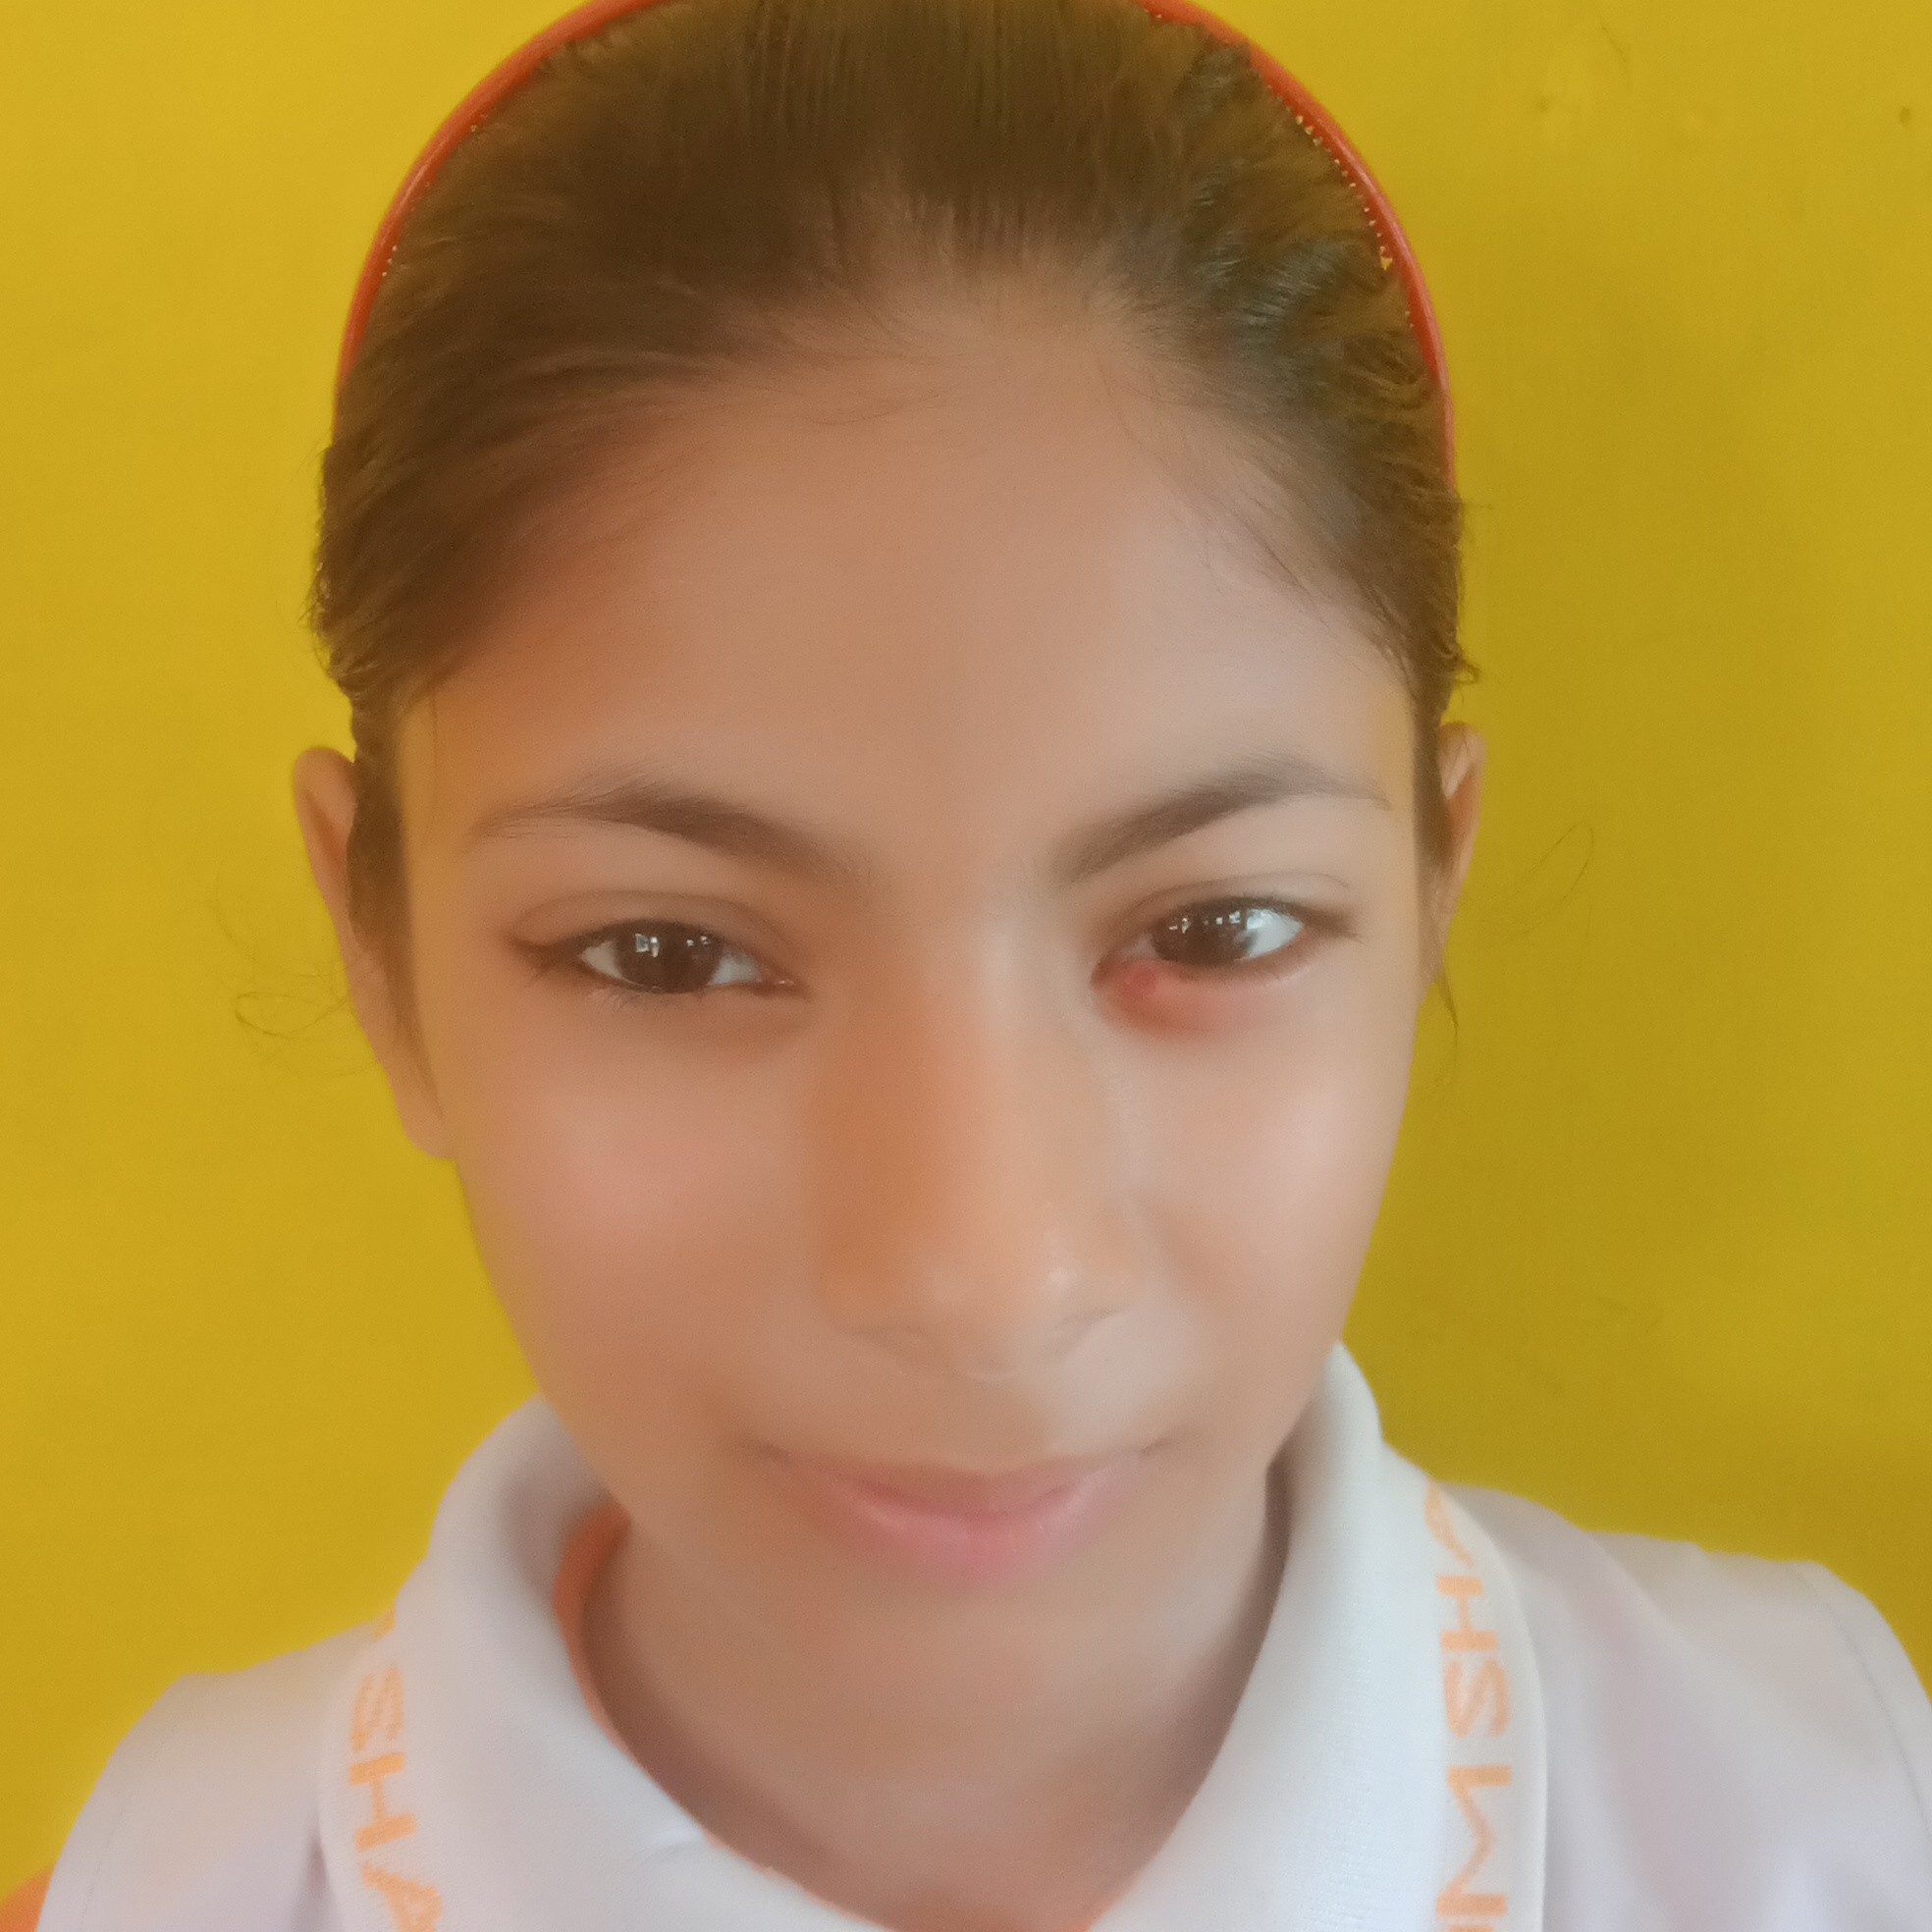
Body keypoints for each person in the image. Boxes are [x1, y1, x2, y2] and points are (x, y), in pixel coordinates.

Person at [9, 0, 1931, 1926]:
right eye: (668, 953)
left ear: (1430, 893)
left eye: (1212, 931)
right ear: (382, 953)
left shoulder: (1829, 1827)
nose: (980, 1282)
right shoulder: (167, 1886)